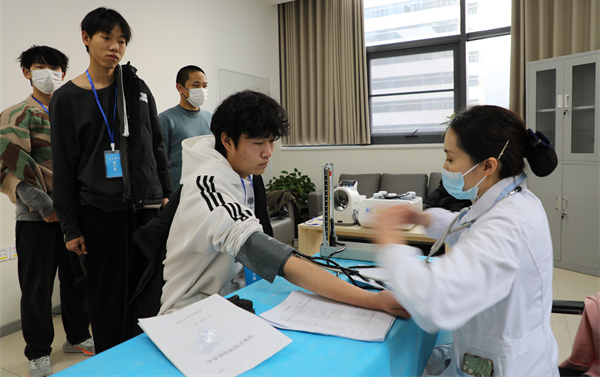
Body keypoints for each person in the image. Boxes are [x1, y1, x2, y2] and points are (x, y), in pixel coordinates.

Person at [156, 90, 407, 318]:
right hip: (187, 313)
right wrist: (372, 300)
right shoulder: (208, 188)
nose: (268, 152)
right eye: (258, 143)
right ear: (227, 140)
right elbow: (266, 252)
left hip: (223, 302)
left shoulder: (241, 173)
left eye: (271, 141)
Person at [375, 105, 560, 376]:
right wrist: (424, 218)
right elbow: (469, 225)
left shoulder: (508, 224)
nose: (444, 167)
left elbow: (435, 301)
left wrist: (390, 244)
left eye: (450, 159)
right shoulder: (511, 199)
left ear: (488, 165)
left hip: (509, 367)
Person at [50, 7, 172, 353]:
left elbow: (156, 144)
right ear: (86, 39)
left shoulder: (137, 88)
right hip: (100, 212)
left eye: (121, 40)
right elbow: (64, 167)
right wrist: (71, 227)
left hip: (146, 209)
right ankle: (112, 363)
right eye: (106, 37)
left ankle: (145, 361)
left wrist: (165, 194)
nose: (115, 46)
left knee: (148, 294)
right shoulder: (67, 98)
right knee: (107, 299)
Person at [0, 45, 93, 377]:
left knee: (78, 280)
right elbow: (8, 166)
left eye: (55, 68)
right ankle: (38, 351)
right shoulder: (16, 114)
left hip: (74, 216)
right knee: (37, 287)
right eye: (40, 67)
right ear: (27, 72)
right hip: (36, 217)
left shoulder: (72, 113)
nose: (49, 74)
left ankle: (78, 337)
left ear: (63, 74)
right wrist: (43, 205)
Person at [159, 65, 211, 194]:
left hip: (206, 191)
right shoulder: (166, 119)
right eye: (196, 85)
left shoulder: (211, 118)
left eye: (204, 86)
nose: (201, 90)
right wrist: (163, 194)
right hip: (178, 192)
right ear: (180, 88)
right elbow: (159, 160)